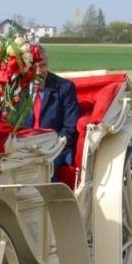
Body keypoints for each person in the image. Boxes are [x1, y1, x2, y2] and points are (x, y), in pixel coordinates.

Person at [29, 44, 80, 180]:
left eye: (43, 65)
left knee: (44, 165)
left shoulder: (65, 88)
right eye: (34, 68)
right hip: (25, 148)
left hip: (55, 147)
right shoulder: (18, 90)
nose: (39, 71)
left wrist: (50, 144)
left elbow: (70, 128)